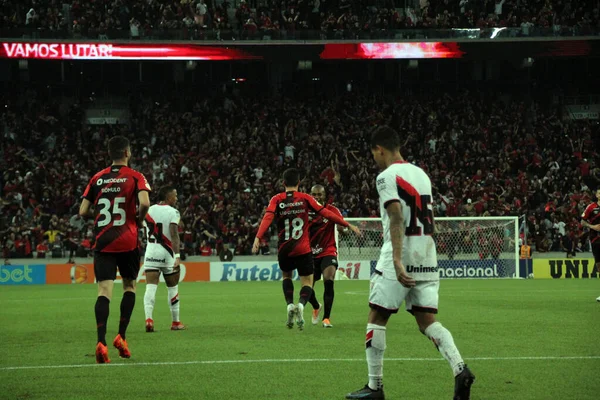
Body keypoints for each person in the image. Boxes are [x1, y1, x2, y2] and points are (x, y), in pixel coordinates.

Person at [346, 126, 475, 400]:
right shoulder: (422, 174)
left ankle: (374, 387)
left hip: (400, 257)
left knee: (377, 316)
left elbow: (395, 216)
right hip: (426, 256)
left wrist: (396, 260)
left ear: (379, 149)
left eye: (374, 156)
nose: (375, 161)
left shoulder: (386, 177)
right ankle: (460, 369)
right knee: (427, 320)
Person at [252, 168, 360, 330]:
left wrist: (258, 237)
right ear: (299, 183)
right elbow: (325, 213)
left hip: (286, 249)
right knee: (307, 283)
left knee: (287, 277)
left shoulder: (276, 199)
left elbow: (268, 217)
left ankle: (292, 305)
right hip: (304, 249)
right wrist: (348, 224)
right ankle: (302, 305)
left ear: (283, 183)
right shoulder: (305, 199)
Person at [79, 136, 151, 364]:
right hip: (127, 240)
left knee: (104, 291)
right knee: (129, 286)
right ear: (128, 153)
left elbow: (82, 211)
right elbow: (146, 203)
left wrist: (98, 216)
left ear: (110, 154)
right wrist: (138, 220)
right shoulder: (135, 176)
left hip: (103, 241)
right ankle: (121, 337)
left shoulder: (97, 178)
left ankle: (101, 342)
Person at [142, 186, 185, 332]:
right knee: (172, 288)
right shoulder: (173, 212)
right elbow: (174, 234)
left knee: (150, 287)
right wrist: (178, 256)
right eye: (175, 194)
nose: (176, 198)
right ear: (168, 197)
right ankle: (175, 322)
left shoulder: (148, 210)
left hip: (151, 252)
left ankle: (149, 320)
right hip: (167, 254)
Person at [306, 184, 347, 328]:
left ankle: (326, 319)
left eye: (319, 194)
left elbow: (342, 226)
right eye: (314, 194)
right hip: (310, 253)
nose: (317, 197)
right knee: (307, 288)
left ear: (325, 195)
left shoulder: (332, 210)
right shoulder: (305, 211)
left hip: (328, 251)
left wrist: (343, 229)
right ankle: (316, 306)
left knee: (329, 279)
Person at [580, 188, 600, 302]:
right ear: (597, 195)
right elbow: (582, 221)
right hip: (595, 240)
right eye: (599, 193)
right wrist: (593, 227)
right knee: (599, 266)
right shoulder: (591, 207)